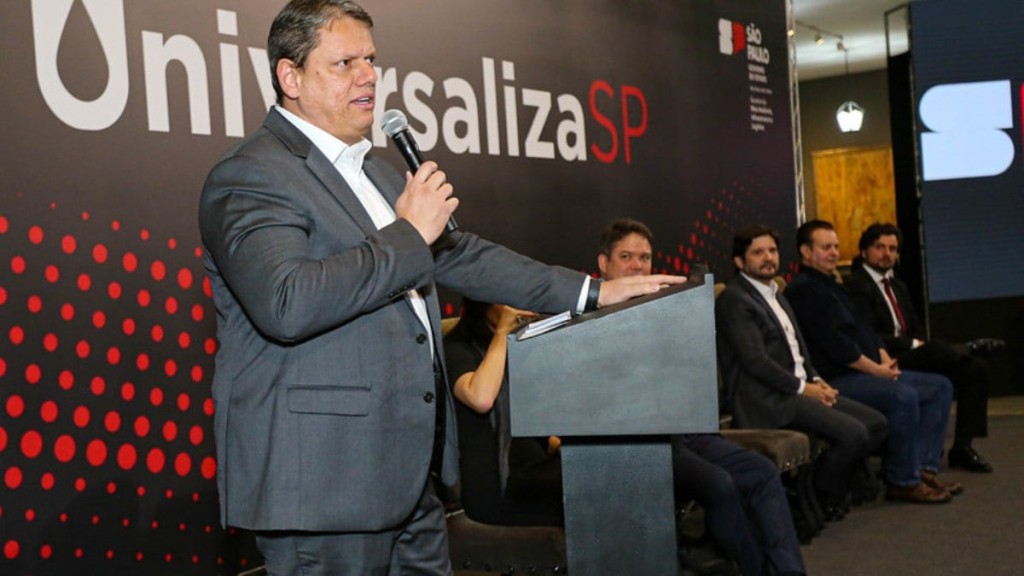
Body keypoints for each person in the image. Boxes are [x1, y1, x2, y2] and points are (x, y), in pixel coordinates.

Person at [197, 2, 684, 574]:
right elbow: (287, 302)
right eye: (346, 63)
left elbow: (464, 256)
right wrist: (409, 234)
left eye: (371, 59)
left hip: (410, 483)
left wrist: (591, 293)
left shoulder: (375, 171)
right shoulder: (252, 174)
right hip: (324, 487)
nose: (368, 75)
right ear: (291, 76)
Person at [596, 219, 806, 576]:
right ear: (604, 263)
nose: (637, 266)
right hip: (639, 441)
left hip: (687, 429)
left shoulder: (665, 310)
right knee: (719, 484)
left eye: (644, 258)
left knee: (760, 472)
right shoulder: (588, 318)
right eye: (626, 257)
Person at [716, 225, 889, 520]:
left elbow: (799, 350)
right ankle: (820, 500)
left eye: (772, 251)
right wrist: (804, 388)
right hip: (769, 398)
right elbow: (756, 362)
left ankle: (819, 492)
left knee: (877, 424)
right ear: (739, 261)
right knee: (854, 434)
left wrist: (817, 380)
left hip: (800, 388)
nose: (768, 258)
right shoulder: (735, 300)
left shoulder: (777, 293)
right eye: (758, 252)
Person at [783, 220, 959, 505]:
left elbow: (865, 328)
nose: (833, 253)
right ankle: (902, 480)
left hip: (867, 370)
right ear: (805, 251)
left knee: (939, 387)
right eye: (826, 247)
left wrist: (884, 357)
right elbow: (838, 346)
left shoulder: (833, 284)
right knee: (903, 396)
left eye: (836, 247)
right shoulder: (804, 290)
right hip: (838, 378)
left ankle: (923, 469)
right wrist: (876, 370)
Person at [844, 223, 995, 473]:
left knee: (976, 370)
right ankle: (966, 347)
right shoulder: (855, 286)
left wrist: (918, 344)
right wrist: (915, 345)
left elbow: (916, 328)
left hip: (913, 354)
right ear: (864, 251)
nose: (887, 254)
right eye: (880, 247)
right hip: (882, 359)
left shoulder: (899, 287)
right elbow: (869, 334)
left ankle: (963, 447)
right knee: (935, 350)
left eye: (892, 249)